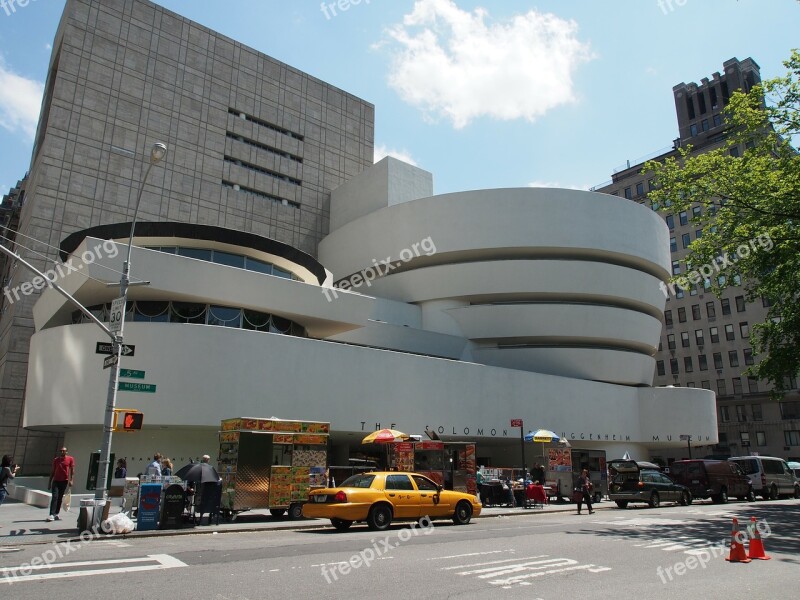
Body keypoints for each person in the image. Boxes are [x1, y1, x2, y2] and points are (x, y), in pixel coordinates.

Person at [47, 447, 75, 521]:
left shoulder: (70, 459)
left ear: (66, 452)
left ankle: (56, 513)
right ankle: (51, 514)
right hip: (56, 481)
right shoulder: (56, 460)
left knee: (60, 498)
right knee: (55, 497)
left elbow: (72, 470)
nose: (62, 452)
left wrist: (71, 480)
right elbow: (52, 471)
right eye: (61, 451)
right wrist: (49, 483)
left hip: (64, 481)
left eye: (64, 451)